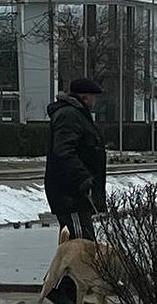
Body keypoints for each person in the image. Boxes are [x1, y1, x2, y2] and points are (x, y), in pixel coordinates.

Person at [44, 78, 107, 241]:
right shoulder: (70, 115)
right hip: (72, 195)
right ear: (85, 97)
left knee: (73, 245)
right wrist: (83, 178)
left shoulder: (77, 115)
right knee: (81, 247)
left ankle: (67, 267)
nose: (95, 101)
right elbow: (63, 150)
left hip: (75, 195)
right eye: (94, 97)